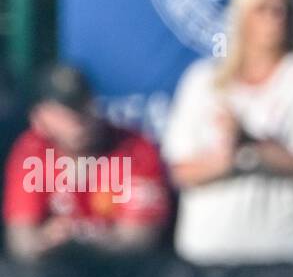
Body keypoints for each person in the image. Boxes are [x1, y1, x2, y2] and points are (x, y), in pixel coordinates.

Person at [161, 0, 293, 265]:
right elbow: (179, 169)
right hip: (209, 254)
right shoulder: (202, 81)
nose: (276, 17)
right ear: (241, 17)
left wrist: (248, 142)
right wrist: (228, 159)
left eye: (284, 8)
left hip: (288, 255)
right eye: (263, 8)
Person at [3, 62, 171, 258]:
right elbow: (21, 243)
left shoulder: (134, 149)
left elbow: (140, 241)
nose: (77, 120)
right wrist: (49, 239)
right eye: (64, 112)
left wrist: (80, 239)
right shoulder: (32, 151)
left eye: (83, 106)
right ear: (40, 117)